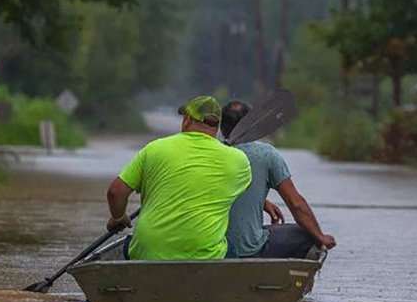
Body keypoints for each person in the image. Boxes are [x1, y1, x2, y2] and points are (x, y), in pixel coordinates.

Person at [105, 95, 251, 260]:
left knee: (132, 243)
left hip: (148, 253)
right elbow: (244, 190)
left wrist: (118, 217)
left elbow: (115, 192)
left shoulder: (154, 148)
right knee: (232, 247)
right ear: (216, 127)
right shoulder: (239, 160)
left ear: (187, 119)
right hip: (207, 257)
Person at [221, 99, 336, 258]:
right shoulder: (265, 154)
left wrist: (262, 201)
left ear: (222, 127)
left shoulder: (212, 154)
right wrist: (320, 236)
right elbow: (295, 204)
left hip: (214, 247)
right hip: (248, 248)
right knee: (308, 234)